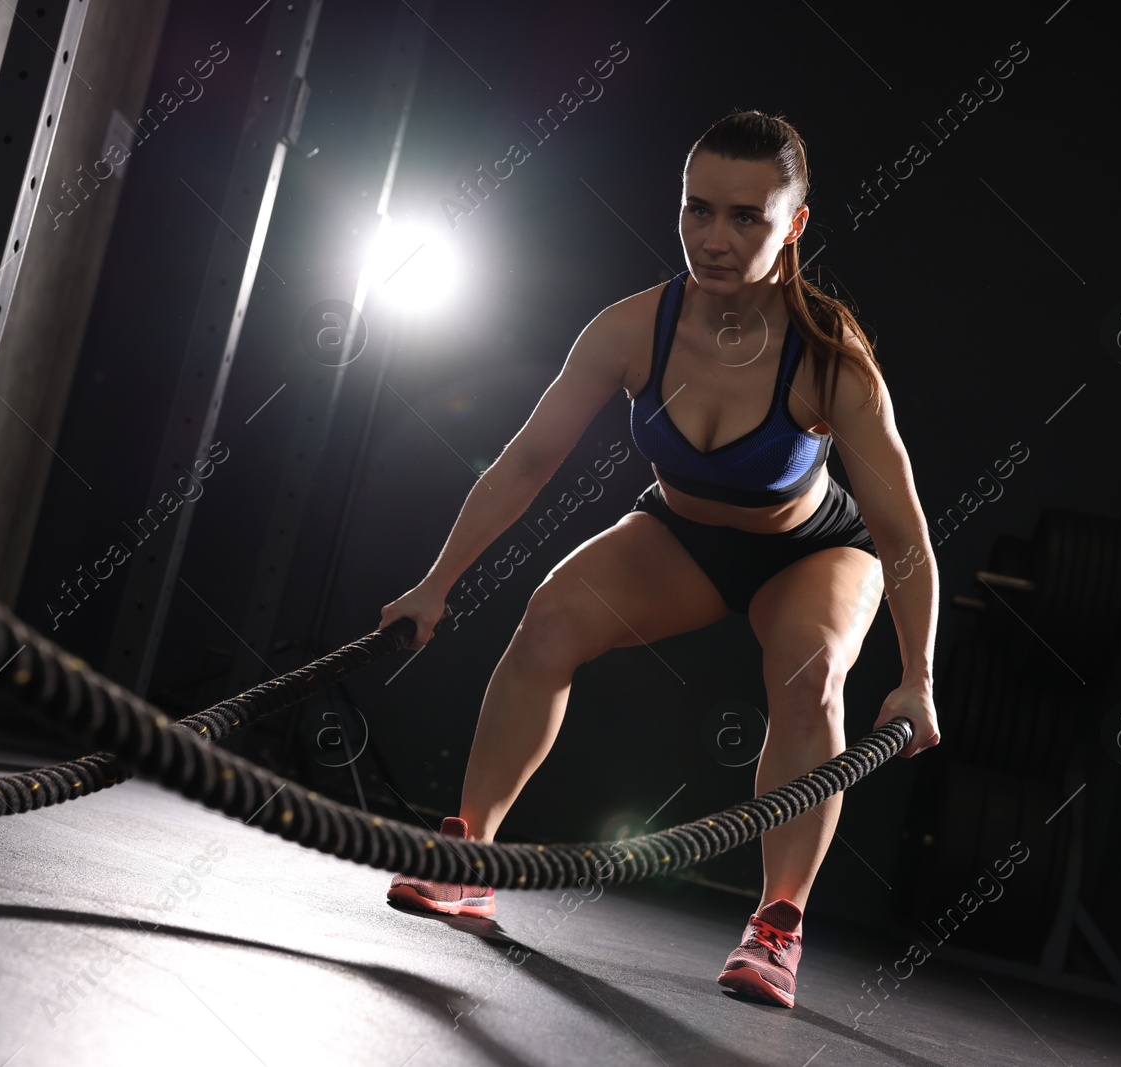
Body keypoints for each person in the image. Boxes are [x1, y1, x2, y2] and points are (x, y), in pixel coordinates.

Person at [378, 109, 940, 1009]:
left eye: (746, 217)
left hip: (814, 550)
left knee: (808, 675)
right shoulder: (632, 328)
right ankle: (469, 854)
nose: (713, 238)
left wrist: (918, 677)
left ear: (793, 225)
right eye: (697, 210)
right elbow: (525, 462)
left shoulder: (831, 358)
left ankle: (777, 923)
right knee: (551, 619)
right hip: (680, 536)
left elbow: (906, 536)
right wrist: (435, 583)